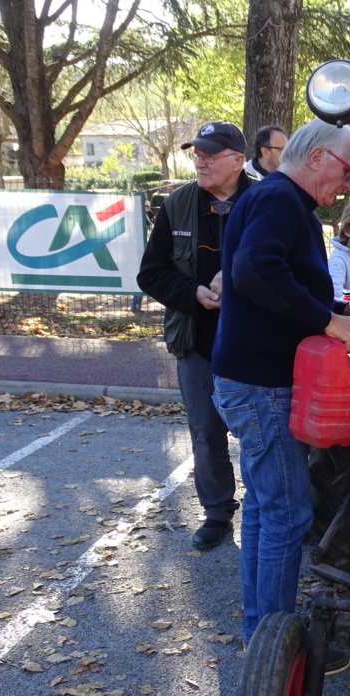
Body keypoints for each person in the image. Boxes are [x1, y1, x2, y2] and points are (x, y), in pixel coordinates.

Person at [210, 118, 350, 668]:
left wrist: (343, 311)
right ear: (317, 157)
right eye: (346, 170)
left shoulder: (279, 199)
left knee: (267, 511)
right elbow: (255, 273)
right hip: (262, 385)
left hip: (251, 379)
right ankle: (276, 647)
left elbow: (281, 283)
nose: (347, 184)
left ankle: (260, 632)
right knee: (288, 514)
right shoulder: (280, 200)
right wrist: (327, 321)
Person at [137, 120, 253, 549]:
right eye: (196, 155)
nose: (199, 161)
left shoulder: (265, 200)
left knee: (263, 431)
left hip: (257, 343)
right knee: (206, 433)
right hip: (196, 340)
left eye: (209, 155)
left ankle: (264, 511)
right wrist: (193, 293)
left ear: (238, 161)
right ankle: (218, 512)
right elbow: (151, 274)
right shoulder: (179, 203)